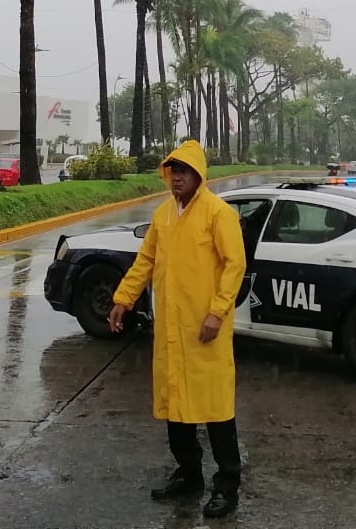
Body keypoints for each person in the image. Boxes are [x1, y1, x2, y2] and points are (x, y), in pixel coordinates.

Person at [108, 140, 247, 519]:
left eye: (184, 171)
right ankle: (189, 474)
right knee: (176, 407)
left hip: (206, 331)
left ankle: (227, 485)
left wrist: (217, 313)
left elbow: (235, 265)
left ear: (198, 175)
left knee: (216, 409)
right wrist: (124, 298)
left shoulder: (218, 214)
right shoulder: (163, 215)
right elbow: (146, 260)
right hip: (171, 330)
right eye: (173, 171)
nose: (177, 178)